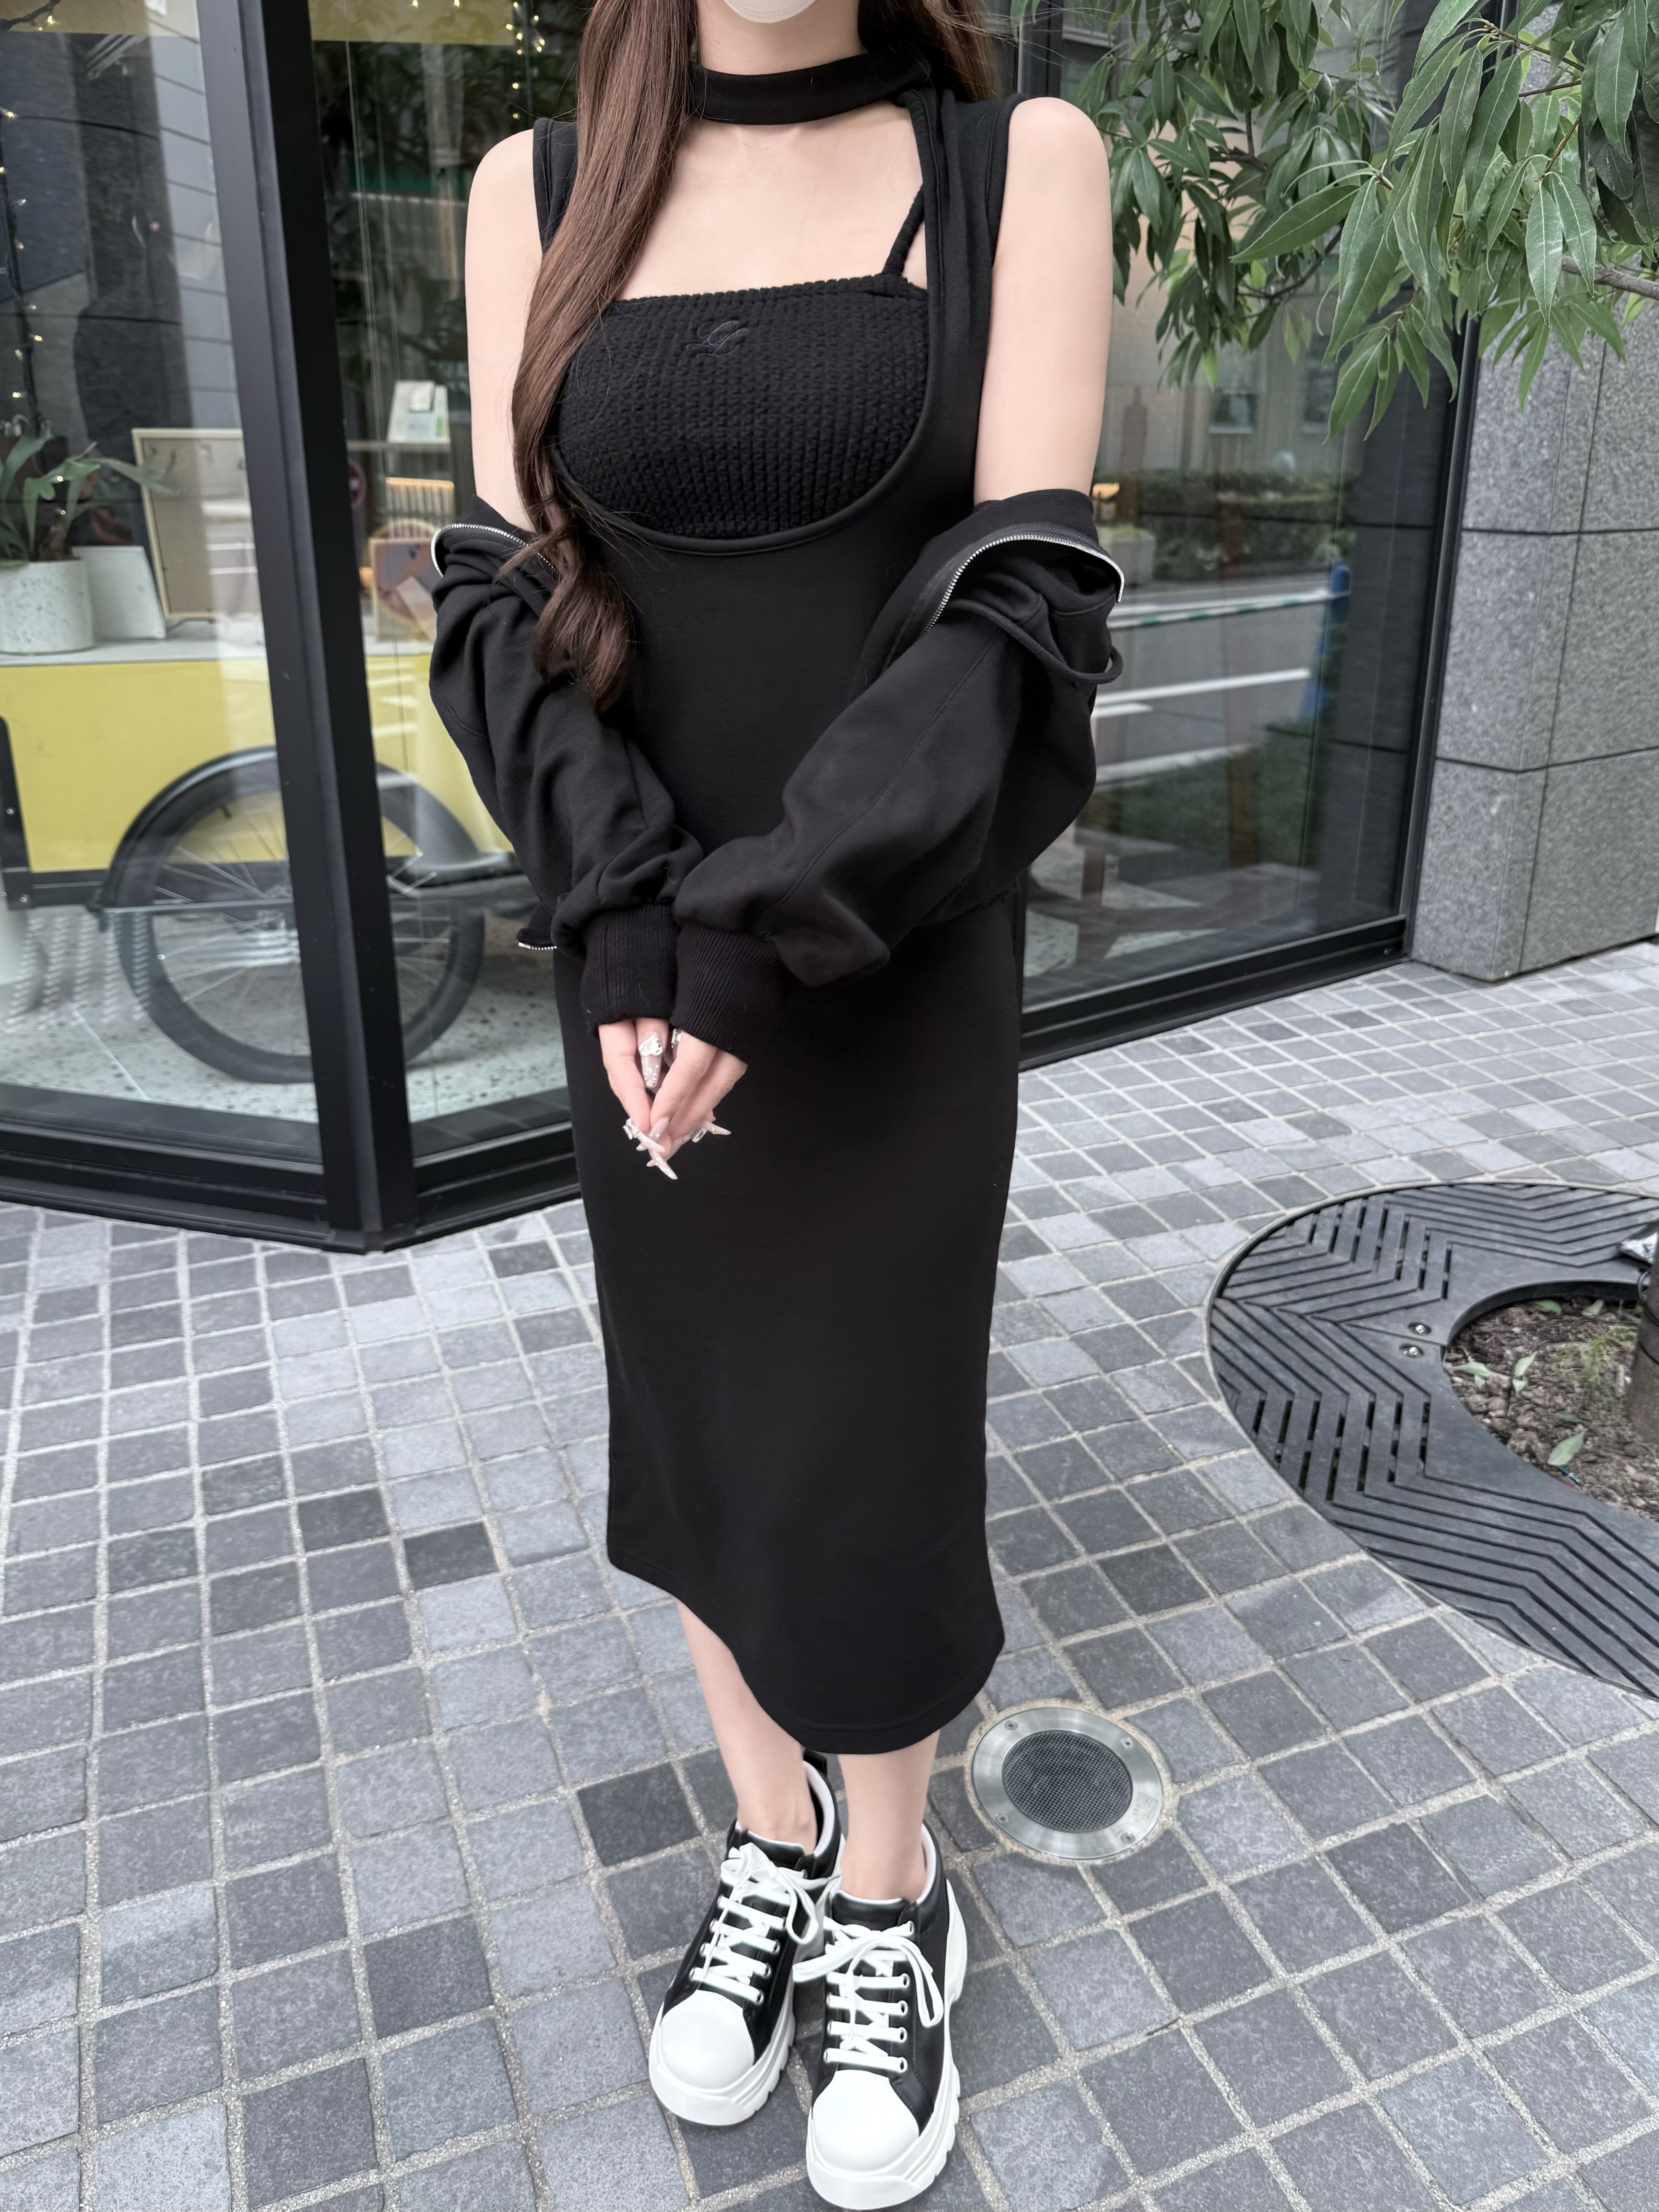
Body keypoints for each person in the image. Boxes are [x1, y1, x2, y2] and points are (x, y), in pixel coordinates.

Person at [431, 2, 1113, 2201]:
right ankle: (773, 1837)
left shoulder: (1020, 169)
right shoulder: (538, 192)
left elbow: (1018, 606)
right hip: (638, 956)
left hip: (885, 949)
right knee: (704, 1417)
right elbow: (505, 596)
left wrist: (755, 932)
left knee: (871, 1437)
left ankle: (891, 1897)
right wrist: (633, 920)